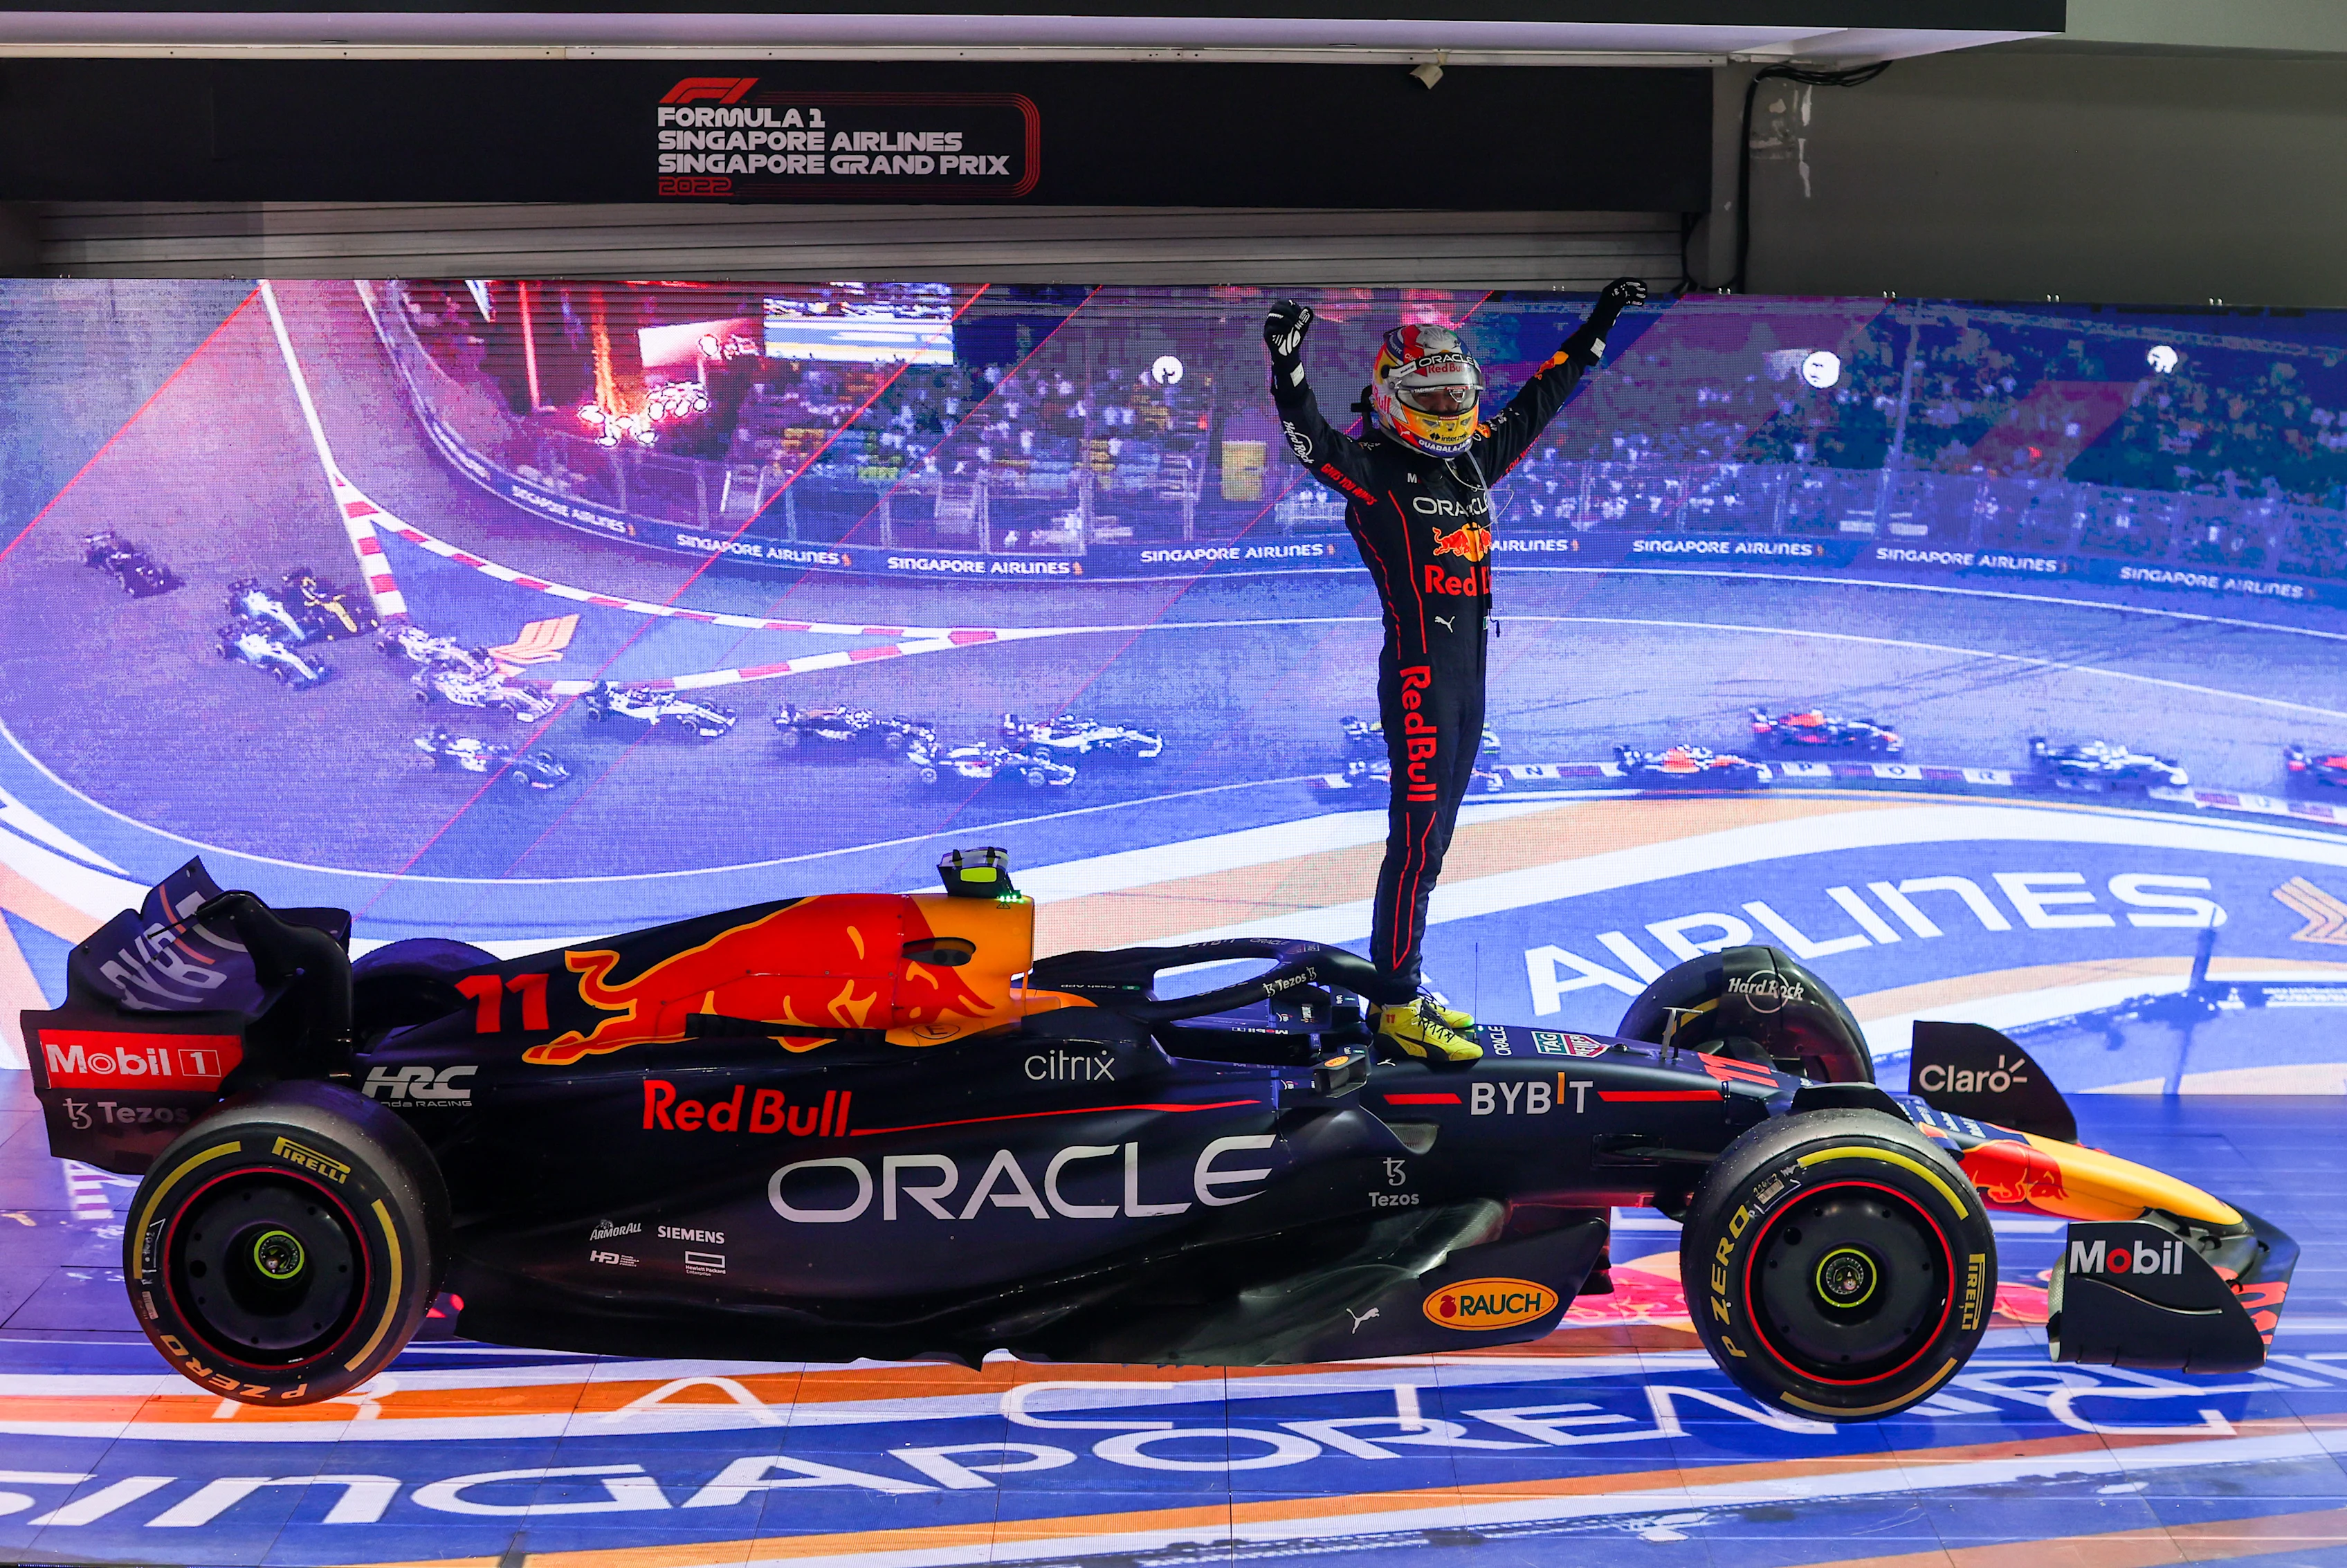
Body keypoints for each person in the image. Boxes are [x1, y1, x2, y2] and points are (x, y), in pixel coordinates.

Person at [1264, 278, 1647, 1062]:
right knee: (1414, 845)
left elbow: (1545, 397)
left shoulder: (1472, 464)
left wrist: (1601, 319)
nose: (1445, 409)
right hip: (1419, 676)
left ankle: (1403, 979)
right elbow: (1307, 437)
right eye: (1429, 397)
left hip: (1467, 680)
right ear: (1391, 394)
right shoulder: (1368, 468)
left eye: (1453, 395)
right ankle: (1398, 1005)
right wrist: (1288, 365)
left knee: (1432, 844)